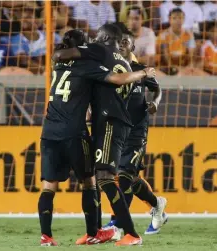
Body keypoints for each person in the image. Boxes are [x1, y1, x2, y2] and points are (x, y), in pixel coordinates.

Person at [41, 29, 155, 246]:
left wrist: (143, 74)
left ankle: (129, 233)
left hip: (109, 121)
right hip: (102, 123)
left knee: (102, 177)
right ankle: (95, 231)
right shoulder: (103, 60)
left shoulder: (91, 58)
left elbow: (116, 79)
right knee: (94, 178)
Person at [102, 23, 168, 235]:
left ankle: (117, 223)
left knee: (123, 177)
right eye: (118, 41)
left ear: (132, 45)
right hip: (115, 130)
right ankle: (156, 204)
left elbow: (157, 89)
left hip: (137, 131)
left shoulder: (141, 70)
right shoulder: (112, 69)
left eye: (125, 41)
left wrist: (155, 103)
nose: (121, 44)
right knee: (129, 179)